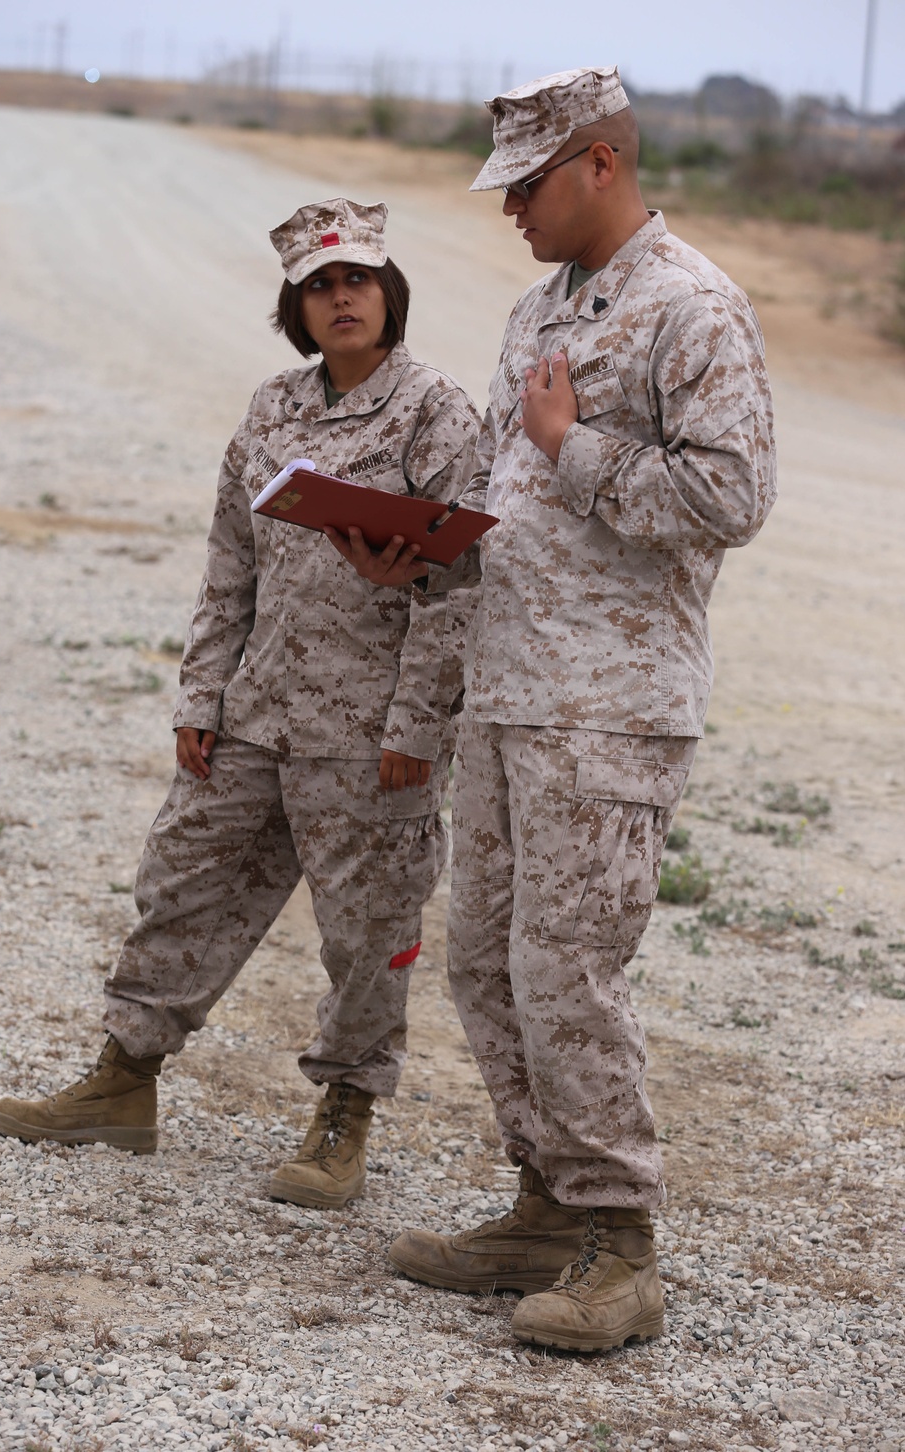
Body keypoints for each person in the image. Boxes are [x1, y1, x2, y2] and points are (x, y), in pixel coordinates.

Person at [326, 68, 776, 1346]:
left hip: (611, 702)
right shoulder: (537, 308)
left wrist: (575, 448)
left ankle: (620, 1247)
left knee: (568, 970)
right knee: (486, 964)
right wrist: (421, 551)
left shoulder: (693, 307)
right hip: (510, 690)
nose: (508, 206)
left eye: (525, 181)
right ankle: (543, 1204)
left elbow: (734, 499)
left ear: (596, 161)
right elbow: (501, 497)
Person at [0, 198, 481, 1210]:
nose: (339, 298)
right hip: (258, 711)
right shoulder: (272, 412)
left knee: (364, 927)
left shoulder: (437, 412)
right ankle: (123, 1080)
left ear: (389, 292)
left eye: (355, 279)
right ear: (294, 309)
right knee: (183, 881)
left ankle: (342, 1121)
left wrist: (416, 729)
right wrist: (201, 693)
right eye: (317, 286)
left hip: (367, 734)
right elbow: (229, 565)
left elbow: (462, 581)